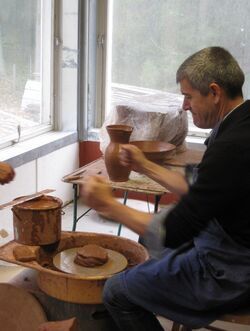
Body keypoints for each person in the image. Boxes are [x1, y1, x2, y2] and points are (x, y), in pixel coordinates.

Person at [80, 47, 250, 330]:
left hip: (231, 271)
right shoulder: (239, 123)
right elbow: (199, 190)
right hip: (232, 241)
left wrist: (107, 205)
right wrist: (144, 165)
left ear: (215, 92)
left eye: (188, 96)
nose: (184, 105)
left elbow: (175, 230)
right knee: (146, 247)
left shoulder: (232, 148)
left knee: (117, 292)